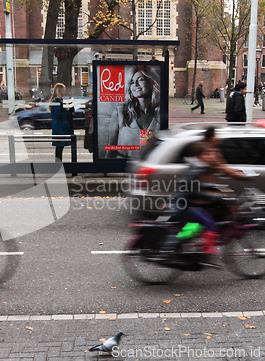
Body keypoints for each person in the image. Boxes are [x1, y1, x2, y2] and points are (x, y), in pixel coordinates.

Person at [166, 127, 248, 267]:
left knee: (196, 226)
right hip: (187, 204)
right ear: (199, 156)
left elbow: (199, 185)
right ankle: (206, 253)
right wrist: (215, 196)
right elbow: (194, 191)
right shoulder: (196, 168)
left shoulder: (196, 165)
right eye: (207, 154)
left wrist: (214, 190)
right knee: (208, 223)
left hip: (187, 203)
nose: (211, 157)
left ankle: (175, 243)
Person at [106, 65, 160, 158]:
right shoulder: (120, 113)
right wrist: (105, 169)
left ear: (149, 83)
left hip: (147, 166)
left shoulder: (158, 113)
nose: (135, 84)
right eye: (131, 82)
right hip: (122, 169)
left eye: (140, 79)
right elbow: (111, 148)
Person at [50, 83, 74, 162]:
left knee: (59, 147)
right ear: (59, 91)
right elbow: (58, 114)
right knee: (59, 147)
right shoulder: (57, 100)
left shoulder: (59, 100)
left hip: (59, 126)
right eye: (63, 90)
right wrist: (69, 113)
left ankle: (58, 164)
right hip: (59, 127)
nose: (64, 92)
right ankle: (58, 165)